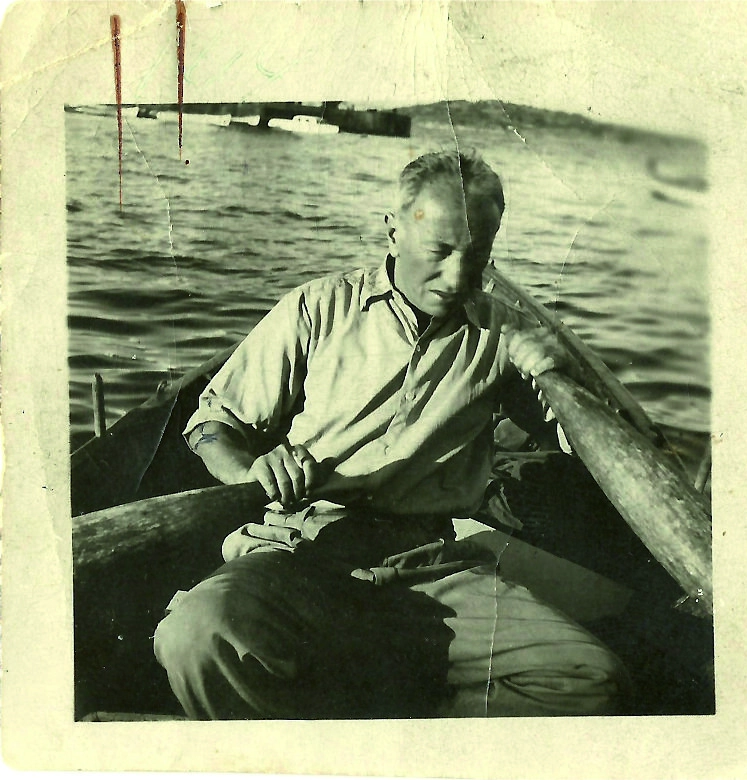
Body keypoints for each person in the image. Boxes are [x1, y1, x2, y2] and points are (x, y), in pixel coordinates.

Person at [153, 149, 628, 719]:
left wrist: (561, 376)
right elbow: (213, 422)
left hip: (429, 564)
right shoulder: (318, 307)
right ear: (393, 231)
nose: (458, 277)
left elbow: (597, 450)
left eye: (477, 256)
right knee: (196, 636)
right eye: (440, 251)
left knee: (586, 680)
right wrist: (249, 470)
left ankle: (385, 733)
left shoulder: (506, 334)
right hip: (299, 546)